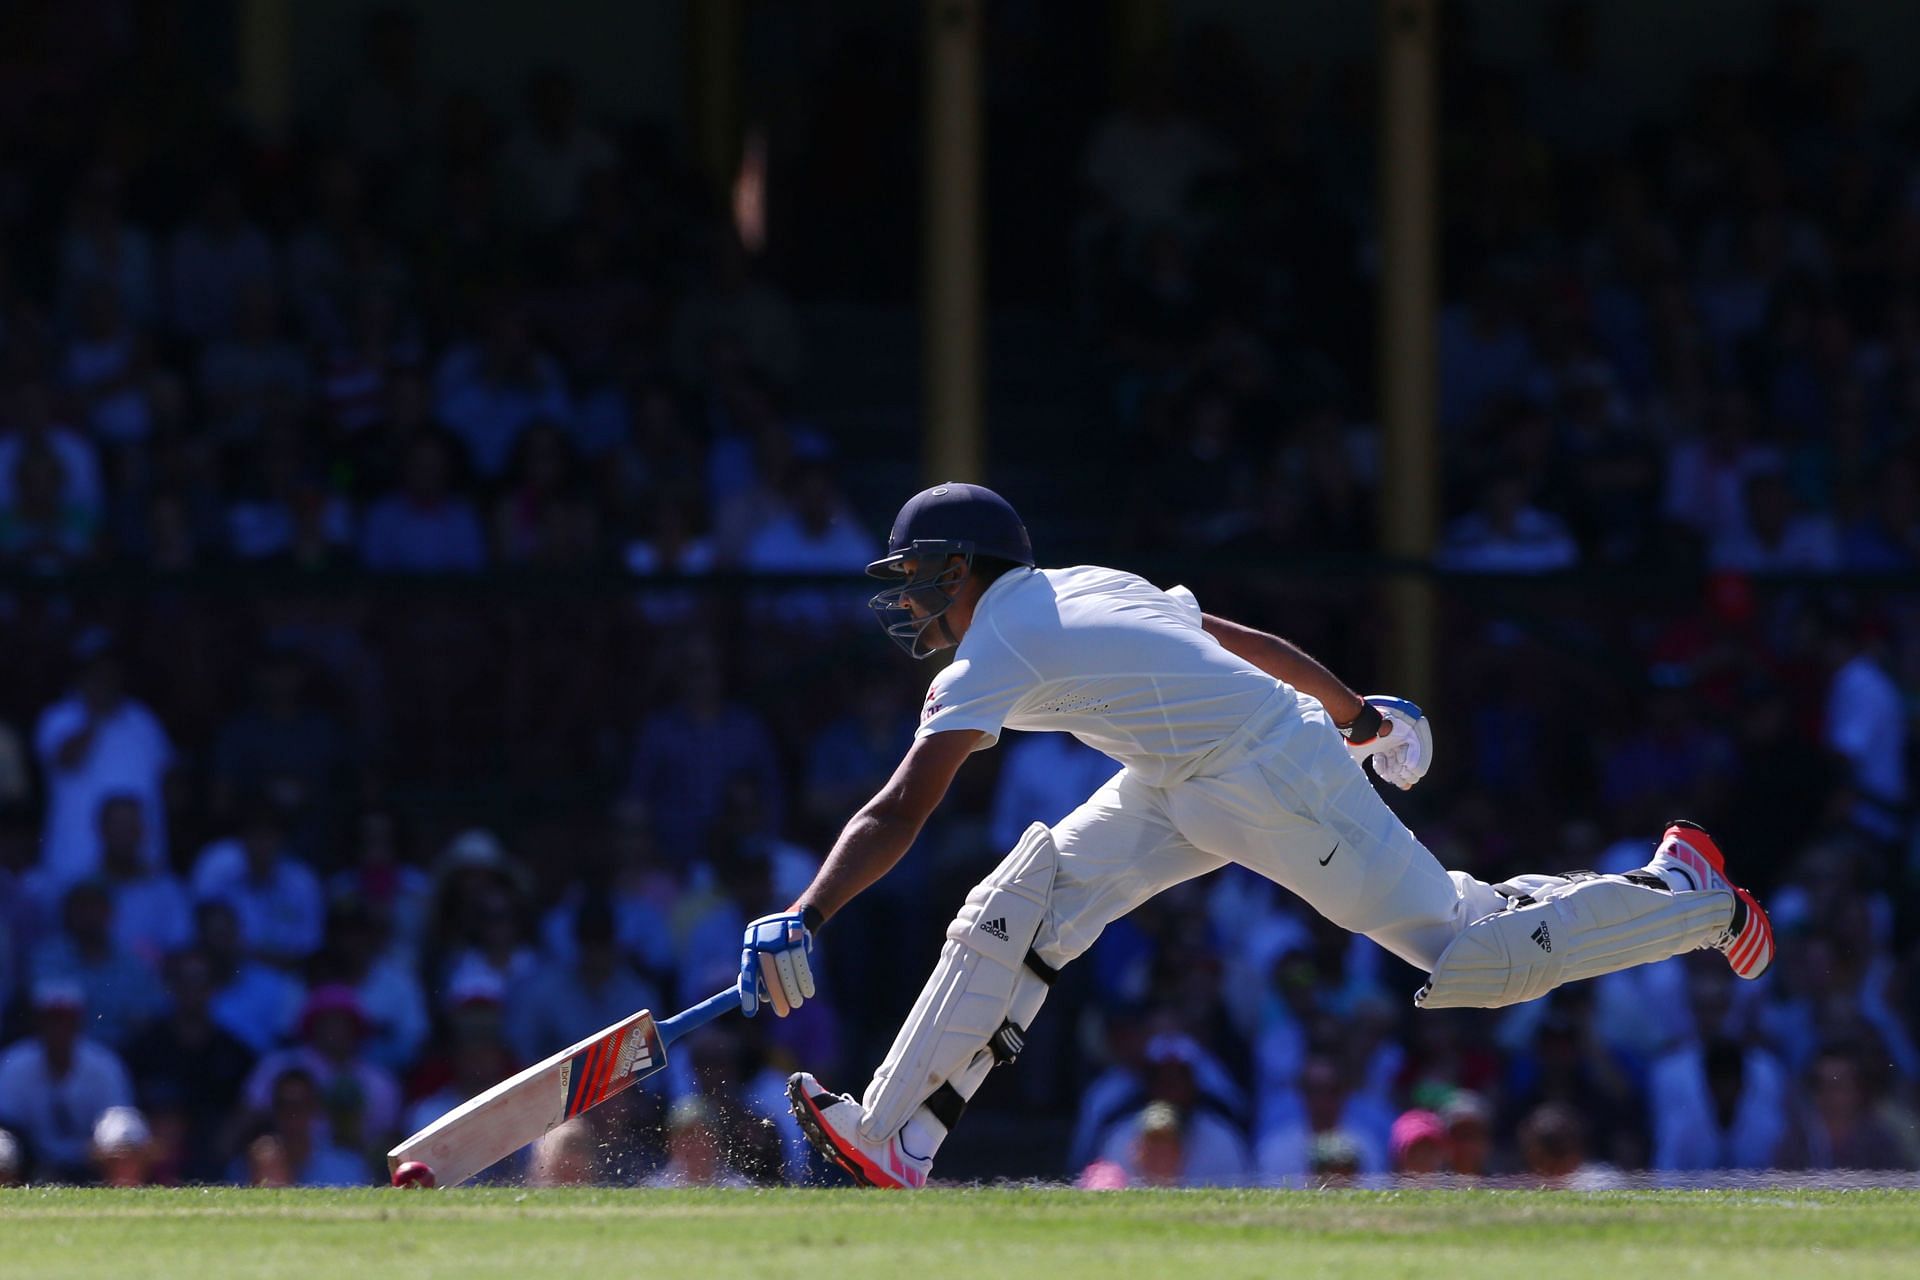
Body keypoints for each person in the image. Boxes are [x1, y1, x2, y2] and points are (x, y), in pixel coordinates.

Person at [736, 482, 1775, 1188]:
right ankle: (891, 1135)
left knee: (1474, 952)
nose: (911, 599)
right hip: (1192, 769)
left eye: (919, 575)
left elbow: (901, 806)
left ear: (965, 567)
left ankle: (1688, 893)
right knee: (1031, 896)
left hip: (1270, 774)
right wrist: (1358, 711)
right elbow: (1236, 638)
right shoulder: (1087, 582)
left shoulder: (993, 648)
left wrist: (805, 911)